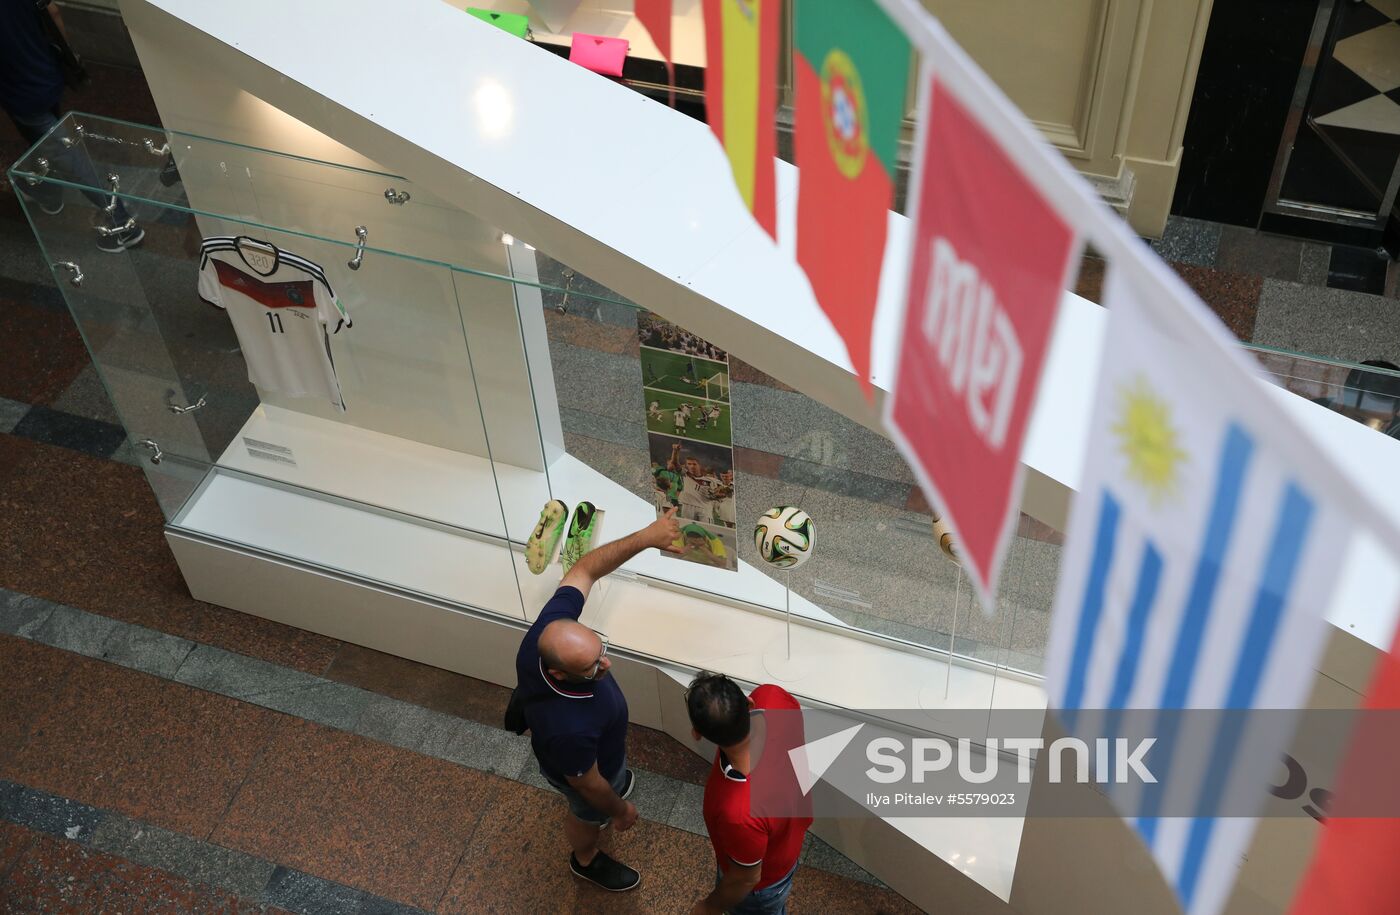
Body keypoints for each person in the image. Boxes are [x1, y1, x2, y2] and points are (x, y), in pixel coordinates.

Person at [514, 508, 682, 891]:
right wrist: (618, 809)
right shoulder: (568, 730)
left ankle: (617, 783)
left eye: (600, 648)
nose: (605, 662)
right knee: (587, 813)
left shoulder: (551, 630)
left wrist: (646, 537)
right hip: (590, 775)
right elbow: (587, 783)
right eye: (591, 666)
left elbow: (585, 570)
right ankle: (586, 859)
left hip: (603, 757)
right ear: (559, 673)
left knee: (608, 783)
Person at [1, 0, 144, 252]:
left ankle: (123, 224)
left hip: (20, 92)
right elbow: (52, 11)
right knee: (43, 141)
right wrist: (69, 55)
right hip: (47, 71)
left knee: (66, 153)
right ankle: (47, 190)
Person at [686, 672, 813, 915]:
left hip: (764, 885)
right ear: (749, 703)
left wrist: (708, 907)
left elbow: (746, 878)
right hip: (789, 837)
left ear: (697, 733)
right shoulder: (772, 697)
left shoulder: (738, 813)